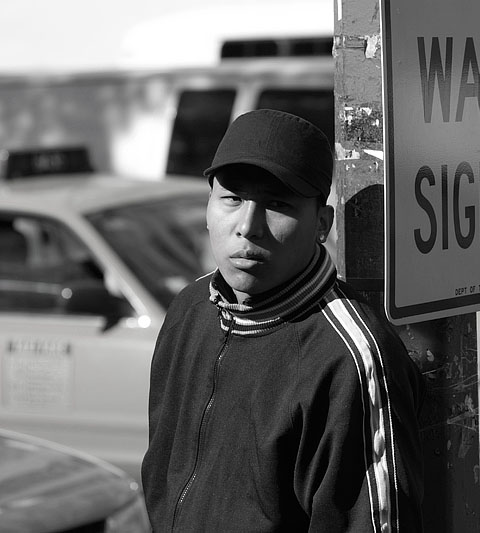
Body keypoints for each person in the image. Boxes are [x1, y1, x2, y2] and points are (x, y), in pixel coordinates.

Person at [141, 109, 426, 532]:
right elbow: (163, 474)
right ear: (208, 207)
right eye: (232, 199)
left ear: (322, 225)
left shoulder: (349, 359)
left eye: (277, 205)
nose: (248, 227)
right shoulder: (190, 310)